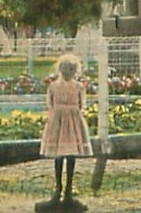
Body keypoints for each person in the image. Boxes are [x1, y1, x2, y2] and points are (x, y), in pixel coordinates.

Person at [37, 54, 93, 212]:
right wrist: (58, 115)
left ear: (75, 70)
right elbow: (49, 103)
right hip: (58, 124)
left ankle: (69, 190)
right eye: (64, 68)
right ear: (60, 69)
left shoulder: (78, 87)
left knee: (71, 155)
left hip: (73, 124)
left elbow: (82, 104)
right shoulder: (53, 86)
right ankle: (58, 188)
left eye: (71, 69)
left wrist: (73, 114)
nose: (67, 71)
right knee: (58, 156)